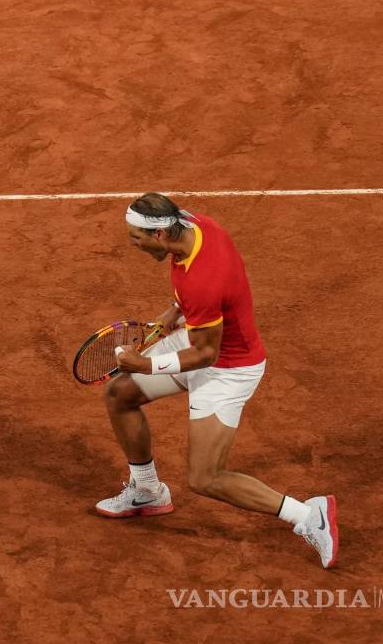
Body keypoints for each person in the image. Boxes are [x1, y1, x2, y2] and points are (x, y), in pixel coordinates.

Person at [98, 192, 339, 568]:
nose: (133, 243)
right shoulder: (194, 227)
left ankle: (308, 516)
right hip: (200, 339)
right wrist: (171, 314)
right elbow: (194, 307)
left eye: (137, 237)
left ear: (160, 236)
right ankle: (147, 491)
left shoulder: (204, 279)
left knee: (205, 477)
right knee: (119, 394)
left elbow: (204, 356)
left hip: (228, 370)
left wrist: (144, 366)